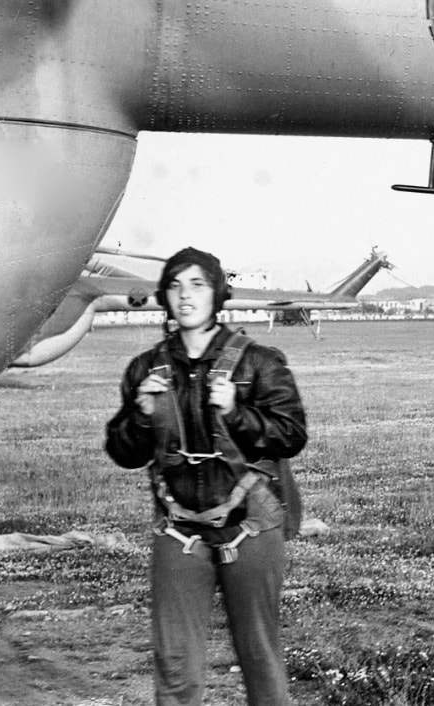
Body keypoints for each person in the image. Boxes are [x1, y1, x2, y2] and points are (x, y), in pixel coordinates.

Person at [106, 247, 307, 706]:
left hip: (250, 526)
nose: (185, 295)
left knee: (260, 654)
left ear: (217, 294)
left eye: (198, 284)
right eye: (175, 286)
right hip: (179, 532)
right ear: (164, 297)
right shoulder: (145, 369)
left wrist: (237, 413)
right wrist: (140, 415)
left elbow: (291, 435)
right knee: (174, 664)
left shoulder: (260, 362)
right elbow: (124, 452)